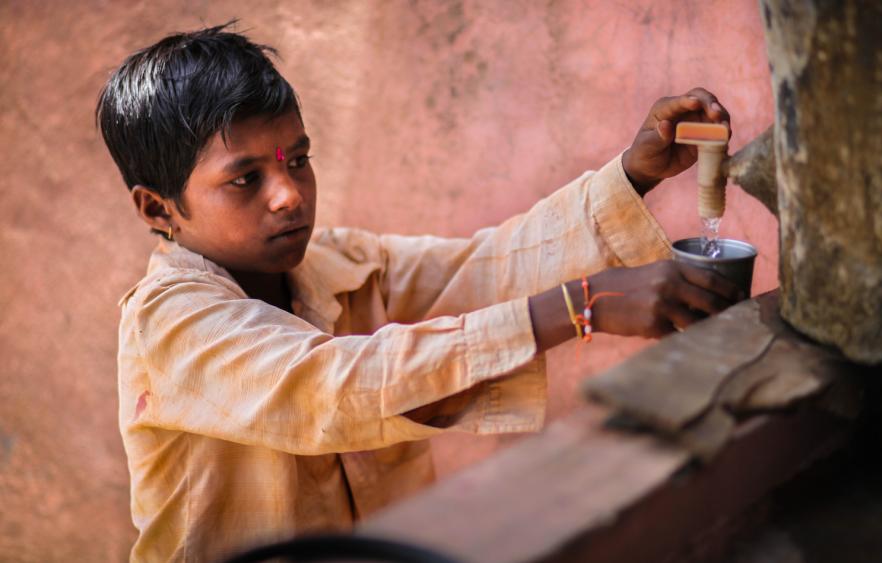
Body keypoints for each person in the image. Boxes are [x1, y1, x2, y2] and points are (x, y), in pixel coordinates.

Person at [99, 23, 740, 562]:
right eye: (245, 179)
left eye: (298, 158)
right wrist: (581, 305)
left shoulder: (338, 263)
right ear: (159, 209)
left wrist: (633, 173)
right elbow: (333, 387)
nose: (289, 194)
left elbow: (486, 268)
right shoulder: (169, 321)